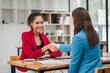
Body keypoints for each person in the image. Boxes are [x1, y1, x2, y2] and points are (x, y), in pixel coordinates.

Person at [49, 7, 102, 73]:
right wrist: (59, 46)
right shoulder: (95, 33)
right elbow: (78, 47)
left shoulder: (78, 37)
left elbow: (75, 63)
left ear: (76, 20)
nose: (71, 20)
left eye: (72, 17)